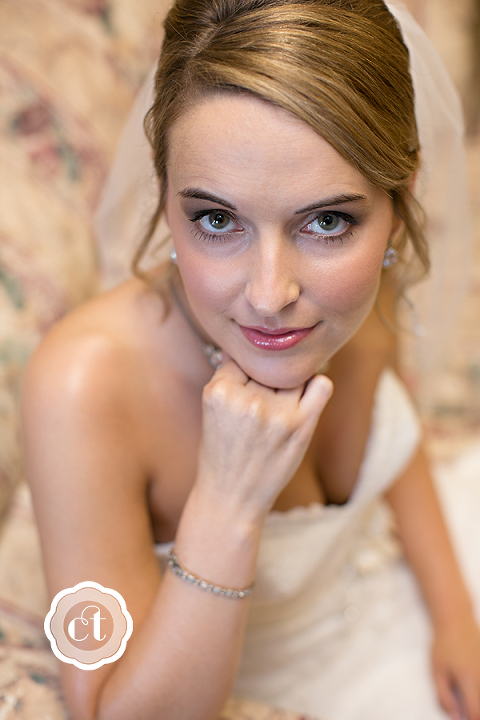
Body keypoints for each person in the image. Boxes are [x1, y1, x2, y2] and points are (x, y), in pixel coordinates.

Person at [20, 1, 480, 720]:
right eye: (216, 219)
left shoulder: (361, 288)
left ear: (400, 201)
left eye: (326, 221)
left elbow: (398, 445)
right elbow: (107, 712)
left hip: (411, 599)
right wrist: (228, 503)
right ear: (162, 194)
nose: (270, 296)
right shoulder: (81, 388)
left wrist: (455, 618)